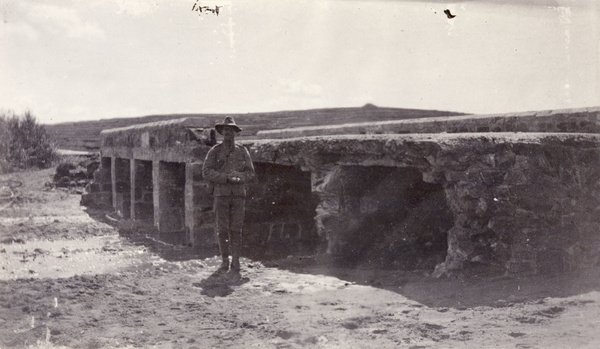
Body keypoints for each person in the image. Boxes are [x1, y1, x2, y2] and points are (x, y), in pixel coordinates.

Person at [202, 116, 255, 272]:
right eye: (226, 131)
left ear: (235, 133)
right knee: (223, 229)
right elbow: (206, 171)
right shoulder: (215, 151)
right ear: (221, 133)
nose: (228, 134)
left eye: (231, 131)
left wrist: (239, 177)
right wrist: (225, 177)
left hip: (238, 194)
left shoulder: (242, 150)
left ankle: (236, 261)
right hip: (221, 194)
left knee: (236, 229)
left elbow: (250, 173)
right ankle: (225, 260)